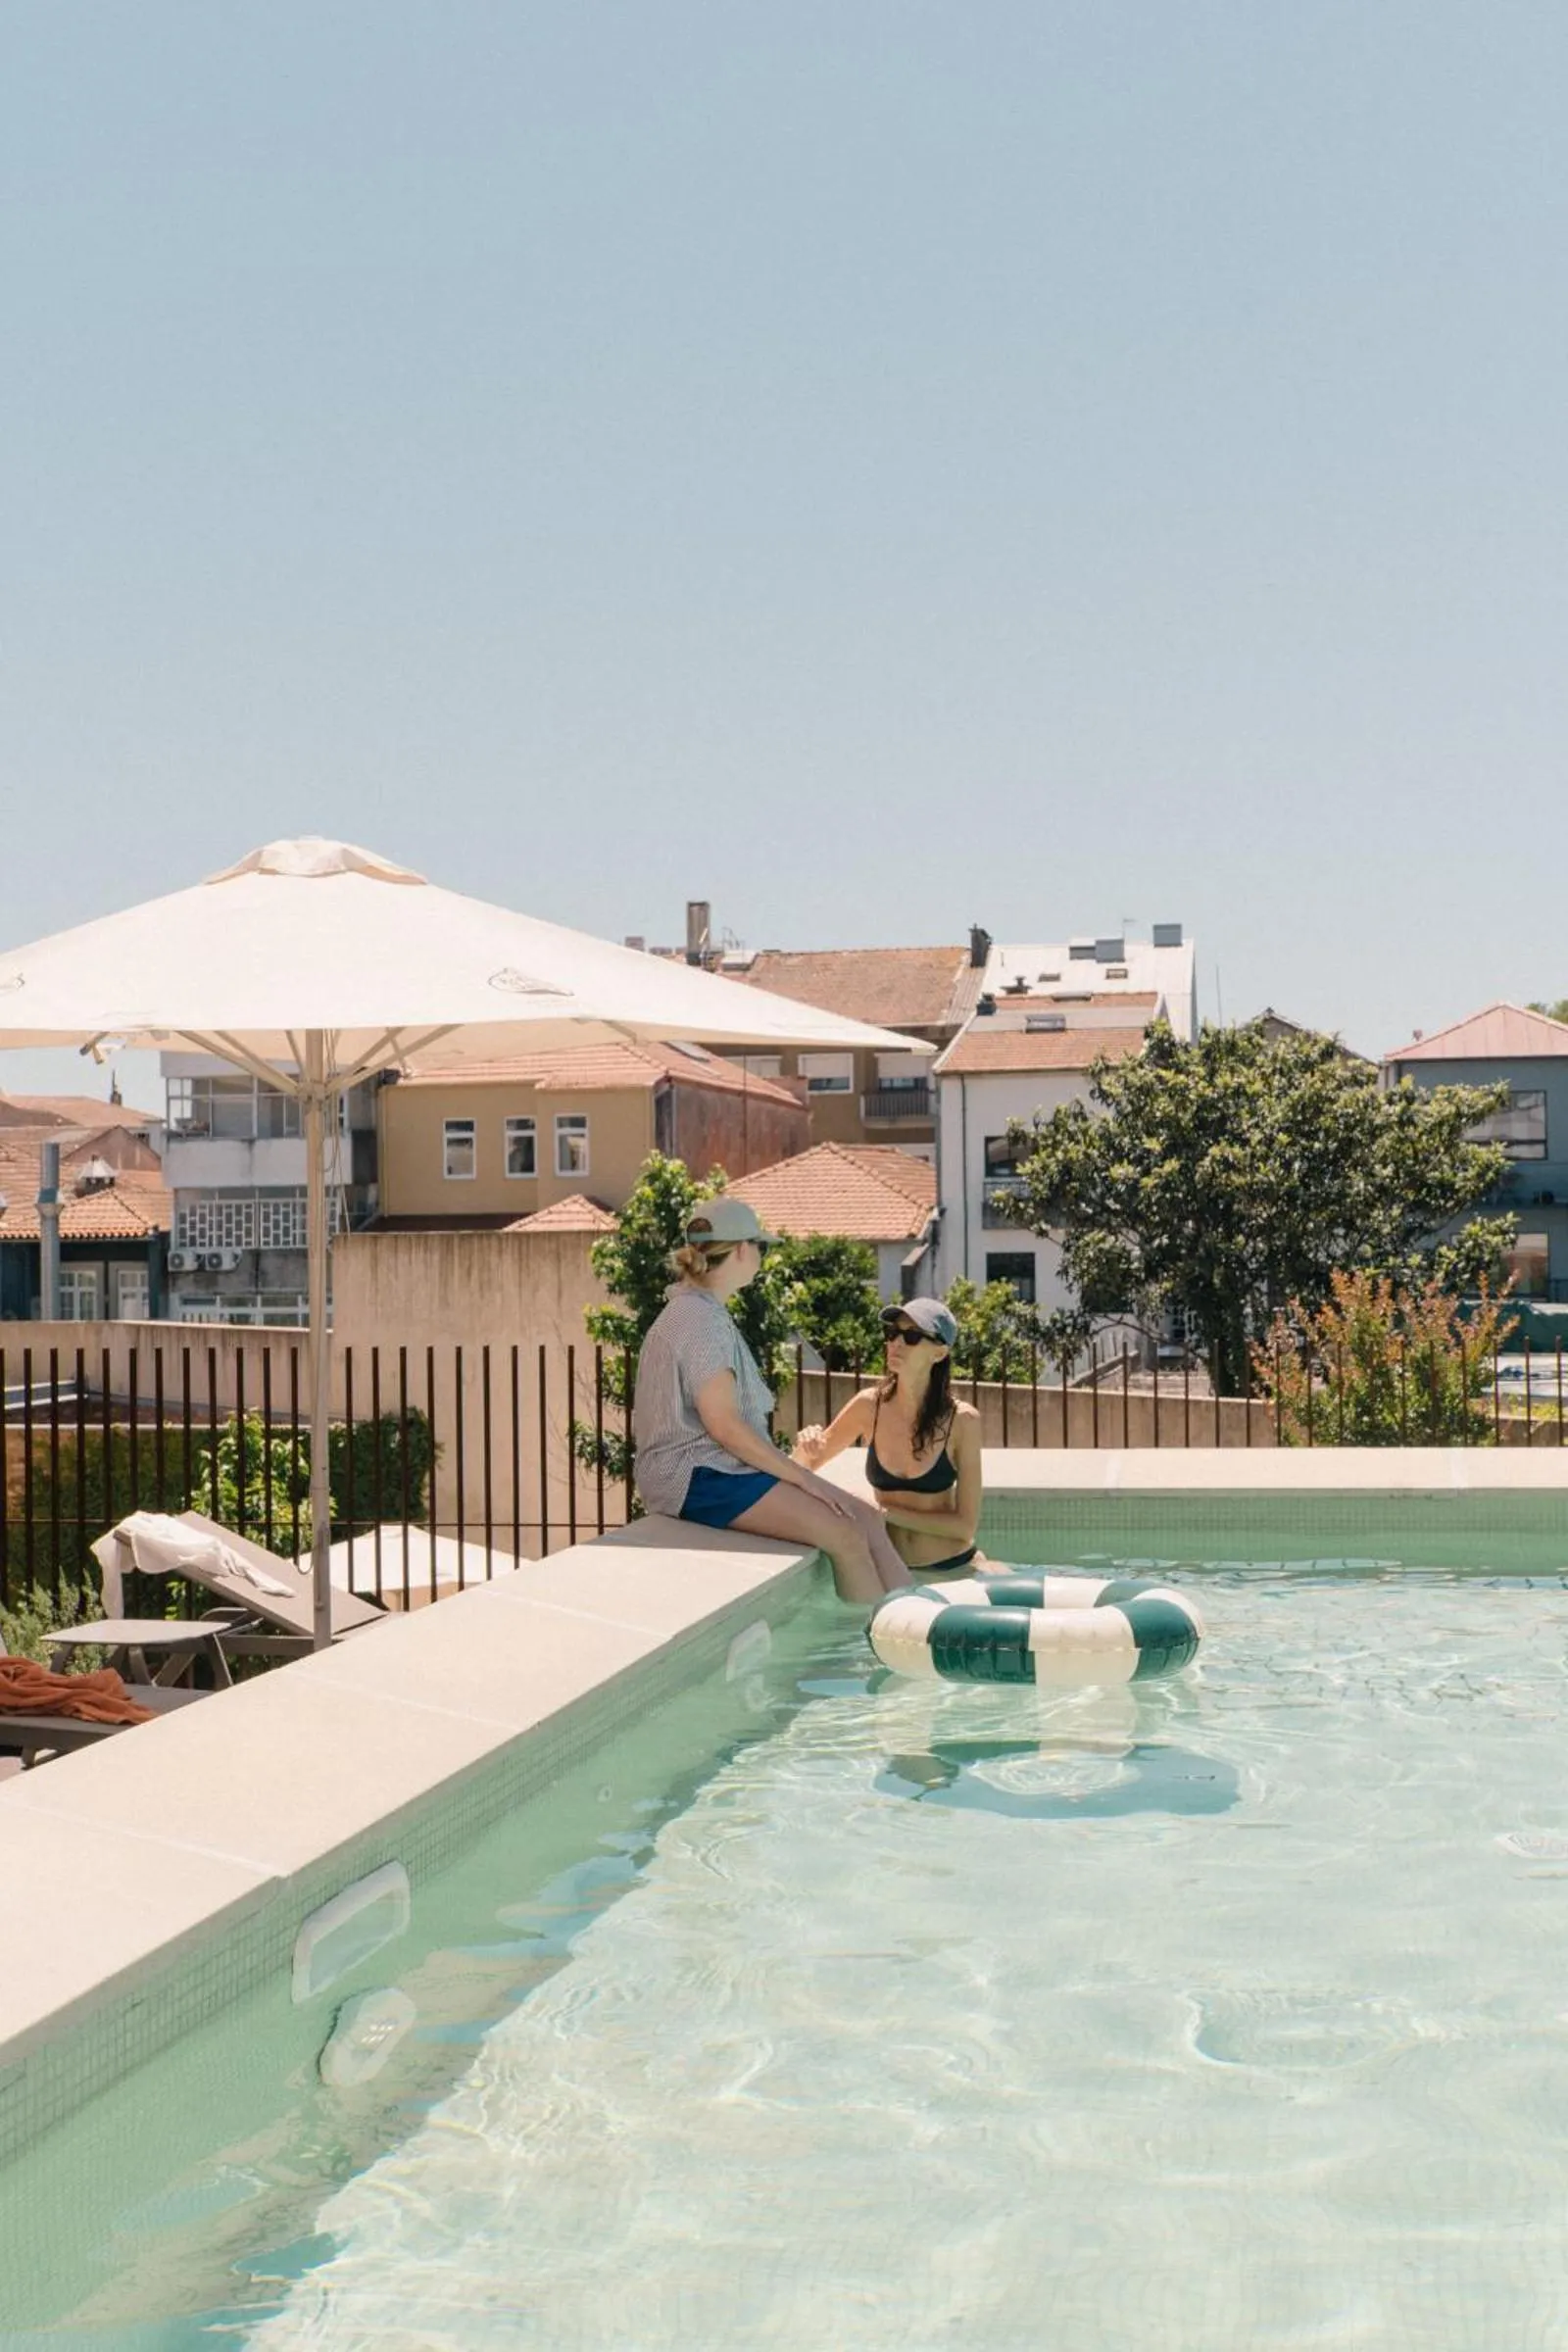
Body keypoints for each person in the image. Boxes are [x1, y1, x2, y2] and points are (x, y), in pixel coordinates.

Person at [632, 1200, 911, 1605]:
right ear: (743, 1250)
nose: (761, 1254)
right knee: (846, 1533)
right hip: (696, 1478)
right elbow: (724, 1426)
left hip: (715, 1472)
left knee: (866, 1519)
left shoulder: (700, 1311)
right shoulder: (698, 1319)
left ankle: (921, 1627)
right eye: (760, 1245)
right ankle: (874, 1653)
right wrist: (804, 1478)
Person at [793, 1298, 984, 1578]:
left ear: (940, 1353)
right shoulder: (868, 1406)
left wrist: (883, 1512)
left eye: (911, 1336)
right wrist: (806, 1445)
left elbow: (965, 1526)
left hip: (955, 1568)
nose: (896, 1343)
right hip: (890, 1570)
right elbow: (801, 1468)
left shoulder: (963, 1421)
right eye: (892, 1333)